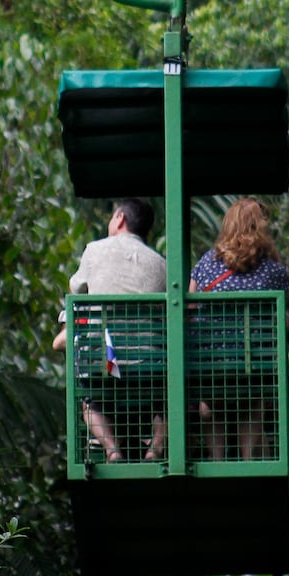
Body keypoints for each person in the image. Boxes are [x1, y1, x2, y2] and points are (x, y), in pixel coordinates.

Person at [52, 198, 165, 462]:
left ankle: (112, 448)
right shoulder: (161, 263)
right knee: (166, 402)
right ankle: (155, 448)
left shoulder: (94, 251)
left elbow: (76, 291)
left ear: (120, 219)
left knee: (89, 401)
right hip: (147, 366)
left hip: (106, 363)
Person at [186, 198, 289, 462]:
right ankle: (249, 460)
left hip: (211, 369)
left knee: (211, 400)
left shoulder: (205, 264)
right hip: (253, 370)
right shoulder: (273, 271)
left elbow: (190, 307)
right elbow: (287, 302)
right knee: (252, 398)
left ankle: (217, 460)